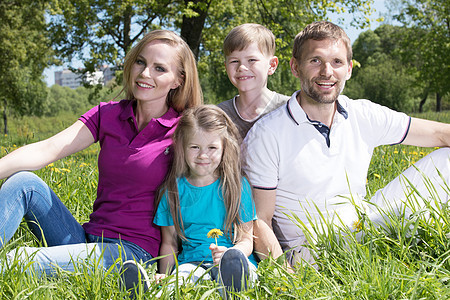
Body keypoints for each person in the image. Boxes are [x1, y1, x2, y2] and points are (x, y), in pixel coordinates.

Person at [242, 21, 450, 268]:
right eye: (315, 61)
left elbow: (439, 133)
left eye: (337, 62)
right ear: (295, 67)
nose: (327, 72)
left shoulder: (361, 113)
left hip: (365, 225)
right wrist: (284, 275)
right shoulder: (267, 134)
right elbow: (260, 219)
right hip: (315, 251)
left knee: (445, 160)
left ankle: (421, 240)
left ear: (349, 69)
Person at [0, 29, 202, 276]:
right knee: (24, 183)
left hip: (134, 253)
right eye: (141, 62)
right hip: (86, 239)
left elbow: (207, 190)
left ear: (178, 80)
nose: (145, 73)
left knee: (19, 260)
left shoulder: (184, 131)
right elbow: (48, 148)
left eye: (160, 68)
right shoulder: (108, 114)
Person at [121, 105, 257, 298]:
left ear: (224, 147)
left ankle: (232, 287)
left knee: (244, 274)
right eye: (195, 147)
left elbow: (246, 238)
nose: (203, 155)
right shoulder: (172, 191)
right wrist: (164, 274)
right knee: (180, 281)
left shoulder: (236, 186)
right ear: (182, 147)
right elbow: (169, 244)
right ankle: (147, 292)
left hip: (234, 260)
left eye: (212, 147)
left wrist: (232, 254)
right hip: (192, 264)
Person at [218, 23, 289, 141]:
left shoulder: (288, 109)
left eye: (251, 60)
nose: (242, 67)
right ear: (226, 67)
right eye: (234, 61)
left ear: (272, 65)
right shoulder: (220, 115)